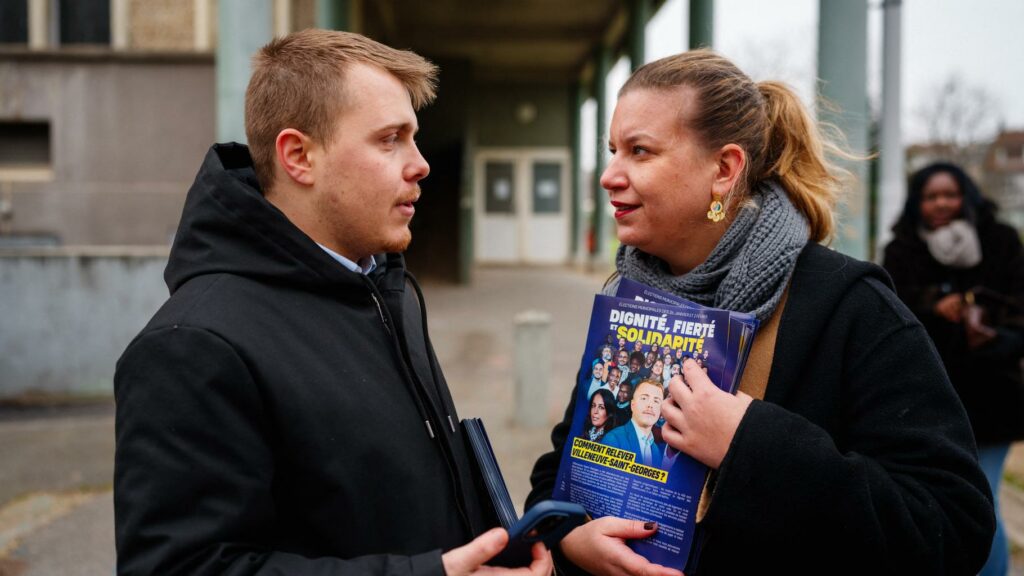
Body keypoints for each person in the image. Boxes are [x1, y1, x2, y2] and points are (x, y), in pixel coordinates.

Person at [527, 50, 994, 574]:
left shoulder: (850, 305)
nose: (609, 175)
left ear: (724, 170)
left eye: (639, 151)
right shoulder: (631, 300)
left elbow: (952, 526)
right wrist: (570, 540)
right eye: (613, 150)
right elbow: (558, 474)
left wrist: (747, 443)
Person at [113, 29, 552, 576]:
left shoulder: (386, 291)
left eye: (414, 137)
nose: (420, 164)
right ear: (299, 155)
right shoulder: (192, 347)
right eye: (390, 139)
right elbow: (183, 569)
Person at [883, 162, 1024, 576]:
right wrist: (934, 308)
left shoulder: (1000, 242)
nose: (942, 203)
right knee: (941, 506)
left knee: (985, 504)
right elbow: (891, 321)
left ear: (967, 196)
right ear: (917, 203)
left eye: (950, 194)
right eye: (931, 196)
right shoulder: (902, 251)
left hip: (993, 400)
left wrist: (992, 335)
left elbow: (1020, 314)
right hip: (929, 402)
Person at [599, 380, 665, 469]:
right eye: (644, 398)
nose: (650, 405)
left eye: (656, 401)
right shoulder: (613, 439)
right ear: (632, 405)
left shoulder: (656, 452)